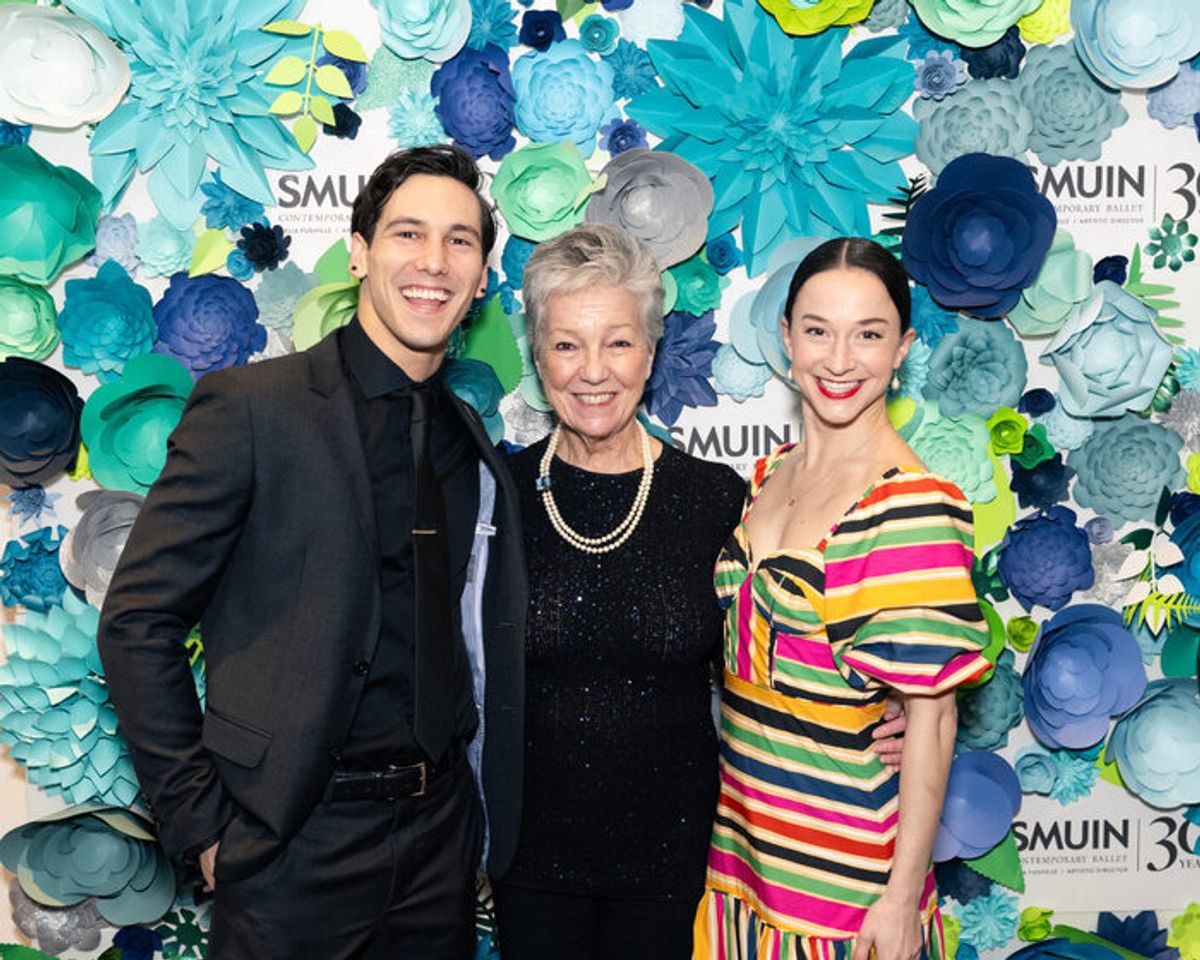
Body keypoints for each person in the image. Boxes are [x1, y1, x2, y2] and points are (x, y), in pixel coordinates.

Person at [97, 144, 526, 960]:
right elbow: (138, 620)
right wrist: (205, 825)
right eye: (407, 234)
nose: (433, 262)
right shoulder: (253, 409)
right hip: (291, 841)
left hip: (439, 840)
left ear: (479, 282)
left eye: (460, 242)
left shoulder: (469, 440)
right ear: (360, 253)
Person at [489, 225, 909, 959]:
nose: (594, 370)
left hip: (680, 861)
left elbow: (788, 633)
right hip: (530, 864)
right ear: (538, 355)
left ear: (651, 352)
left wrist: (894, 700)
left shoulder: (716, 497)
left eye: (617, 342)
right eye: (567, 344)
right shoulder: (498, 495)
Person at [692, 237, 992, 960]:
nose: (838, 359)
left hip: (846, 891)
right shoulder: (769, 475)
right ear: (787, 335)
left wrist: (897, 901)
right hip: (742, 858)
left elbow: (935, 717)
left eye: (869, 335)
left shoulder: (911, 503)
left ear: (902, 350)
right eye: (818, 329)